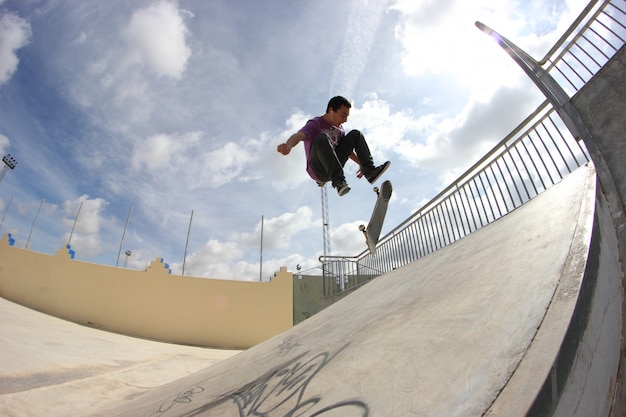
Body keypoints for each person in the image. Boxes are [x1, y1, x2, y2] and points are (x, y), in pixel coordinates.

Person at [276, 96, 390, 196]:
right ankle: (339, 182)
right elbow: (299, 135)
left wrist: (361, 163)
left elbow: (347, 152)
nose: (345, 120)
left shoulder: (340, 130)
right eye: (343, 115)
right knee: (322, 138)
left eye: (347, 116)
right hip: (318, 169)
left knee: (356, 134)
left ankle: (370, 171)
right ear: (331, 110)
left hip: (334, 165)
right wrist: (288, 145)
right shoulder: (315, 124)